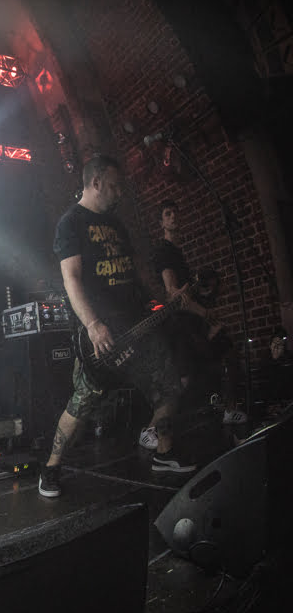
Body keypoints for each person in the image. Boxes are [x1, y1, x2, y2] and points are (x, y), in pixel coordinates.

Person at [38, 155, 196, 499]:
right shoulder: (71, 223)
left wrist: (160, 301)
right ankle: (51, 467)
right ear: (95, 182)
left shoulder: (117, 225)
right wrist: (93, 324)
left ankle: (164, 452)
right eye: (114, 185)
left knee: (170, 387)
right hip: (102, 334)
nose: (119, 192)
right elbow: (71, 279)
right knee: (83, 401)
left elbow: (135, 273)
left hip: (138, 327)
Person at [145, 201, 245, 450]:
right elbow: (173, 294)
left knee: (226, 351)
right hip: (181, 324)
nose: (173, 217)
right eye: (167, 214)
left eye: (175, 212)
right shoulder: (164, 251)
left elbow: (185, 293)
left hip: (193, 321)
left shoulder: (177, 252)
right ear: (161, 223)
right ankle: (150, 429)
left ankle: (229, 409)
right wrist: (204, 312)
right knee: (182, 381)